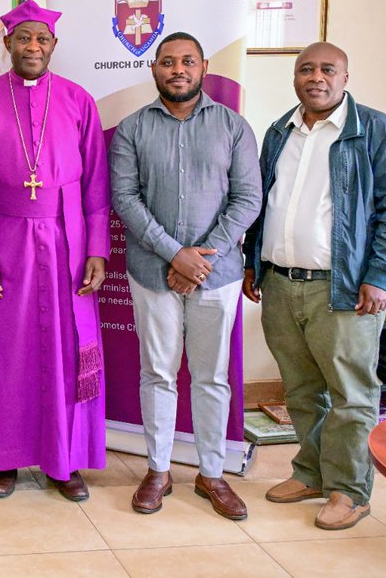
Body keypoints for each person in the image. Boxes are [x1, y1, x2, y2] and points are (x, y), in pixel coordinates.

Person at [242, 42, 386, 530]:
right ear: (294, 77)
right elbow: (264, 202)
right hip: (281, 282)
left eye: (327, 69)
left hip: (344, 289)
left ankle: (350, 490)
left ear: (345, 76)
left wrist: (381, 276)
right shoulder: (281, 131)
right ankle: (313, 472)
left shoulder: (379, 133)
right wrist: (252, 261)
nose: (315, 77)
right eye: (306, 69)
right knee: (301, 391)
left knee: (351, 394)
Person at [0, 0, 110, 501]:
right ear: (7, 44)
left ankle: (63, 462)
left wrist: (96, 249)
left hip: (66, 239)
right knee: (5, 353)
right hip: (4, 240)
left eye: (42, 39)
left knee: (67, 352)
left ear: (53, 46)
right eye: (23, 38)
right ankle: (5, 459)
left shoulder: (77, 99)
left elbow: (95, 185)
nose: (33, 47)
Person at [109, 32, 262, 519]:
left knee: (212, 376)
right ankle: (158, 469)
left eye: (188, 61)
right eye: (168, 61)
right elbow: (125, 200)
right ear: (153, 69)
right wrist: (177, 255)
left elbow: (248, 199)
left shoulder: (234, 128)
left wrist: (202, 259)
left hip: (216, 277)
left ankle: (212, 474)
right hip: (153, 273)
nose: (178, 69)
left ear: (203, 68)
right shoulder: (132, 129)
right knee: (157, 372)